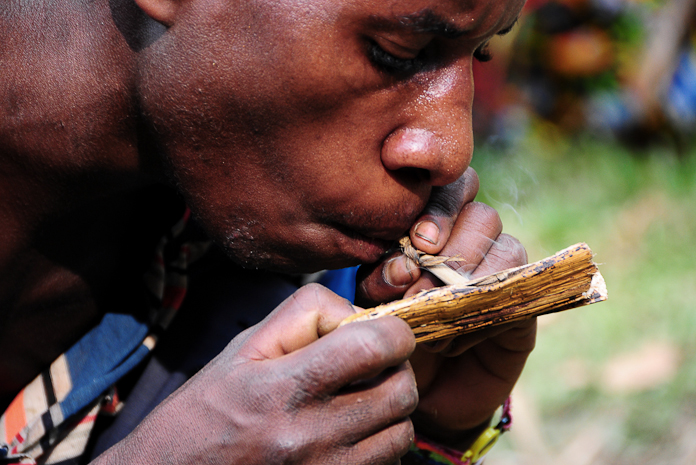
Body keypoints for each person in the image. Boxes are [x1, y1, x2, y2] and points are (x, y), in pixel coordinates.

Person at [0, 0, 536, 463]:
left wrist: (423, 431)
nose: (450, 150)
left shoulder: (236, 272)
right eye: (397, 51)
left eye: (480, 51)